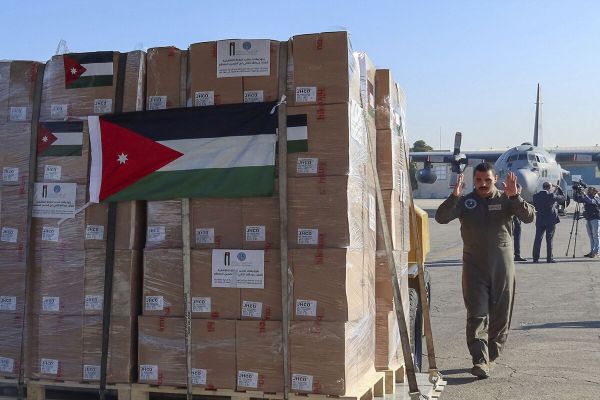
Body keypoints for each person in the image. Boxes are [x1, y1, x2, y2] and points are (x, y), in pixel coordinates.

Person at [435, 163, 535, 379]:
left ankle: (492, 356)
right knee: (476, 313)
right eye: (479, 180)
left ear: (495, 179)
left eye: (487, 180)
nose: (483, 184)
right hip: (474, 266)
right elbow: (441, 217)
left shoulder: (506, 199)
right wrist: (454, 197)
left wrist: (515, 197)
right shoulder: (466, 201)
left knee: (501, 313)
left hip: (502, 265)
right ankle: (480, 359)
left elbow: (529, 217)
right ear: (474, 181)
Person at [531, 182, 566, 263]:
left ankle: (535, 258)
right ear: (549, 187)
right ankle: (549, 258)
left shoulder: (535, 196)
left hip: (540, 219)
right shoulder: (551, 195)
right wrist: (559, 188)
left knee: (537, 239)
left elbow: (536, 205)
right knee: (549, 239)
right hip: (550, 220)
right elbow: (563, 198)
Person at [572, 185, 600, 257]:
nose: (588, 191)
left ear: (594, 192)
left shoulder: (597, 198)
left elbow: (591, 201)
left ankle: (596, 252)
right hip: (588, 219)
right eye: (588, 190)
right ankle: (592, 251)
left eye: (590, 190)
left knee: (595, 235)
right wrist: (575, 191)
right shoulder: (586, 197)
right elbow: (577, 199)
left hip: (595, 219)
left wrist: (584, 195)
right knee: (591, 236)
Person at [513, 184, 527, 261]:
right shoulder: (517, 198)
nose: (520, 192)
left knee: (516, 238)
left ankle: (517, 255)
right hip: (514, 221)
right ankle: (517, 255)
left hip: (516, 220)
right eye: (520, 190)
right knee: (516, 238)